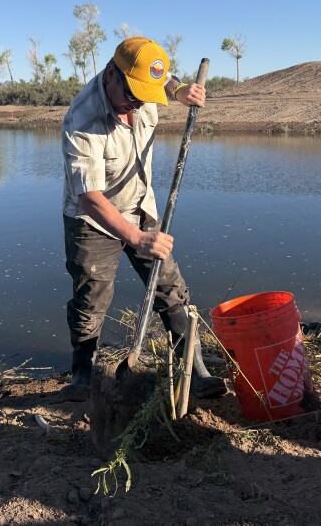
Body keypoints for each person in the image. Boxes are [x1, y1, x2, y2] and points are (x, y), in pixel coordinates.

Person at [60, 36, 226, 400]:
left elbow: (162, 77)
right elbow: (89, 197)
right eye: (131, 94)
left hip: (140, 206)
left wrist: (180, 90)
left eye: (144, 95)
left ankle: (193, 369)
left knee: (170, 287)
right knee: (91, 299)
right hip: (93, 219)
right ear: (110, 75)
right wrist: (136, 239)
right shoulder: (81, 119)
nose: (137, 104)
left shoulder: (145, 85)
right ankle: (83, 375)